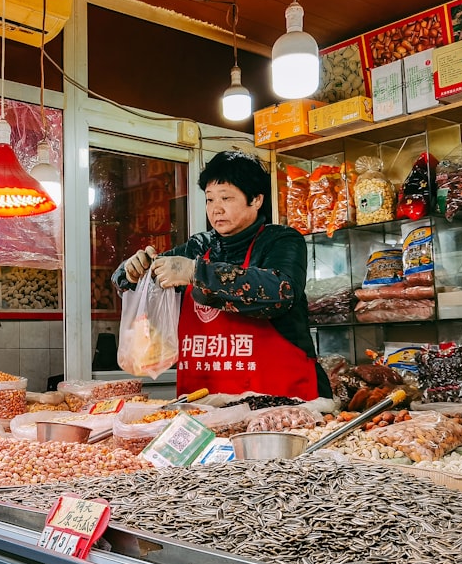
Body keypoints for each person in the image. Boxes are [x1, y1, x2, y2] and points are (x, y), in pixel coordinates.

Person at [113, 150, 330, 400]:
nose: (216, 209)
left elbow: (279, 292)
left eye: (226, 198)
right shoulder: (198, 247)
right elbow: (138, 278)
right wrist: (131, 271)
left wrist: (196, 273)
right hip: (207, 403)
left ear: (256, 199)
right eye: (210, 200)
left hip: (282, 402)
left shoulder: (282, 240)